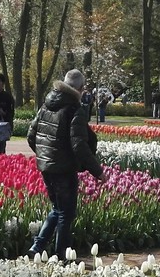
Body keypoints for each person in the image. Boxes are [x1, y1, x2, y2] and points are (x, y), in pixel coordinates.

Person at [25, 68, 106, 261]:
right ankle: (61, 255)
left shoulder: (47, 104)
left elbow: (31, 135)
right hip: (63, 169)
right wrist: (98, 171)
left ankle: (36, 248)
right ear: (81, 88)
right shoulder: (74, 109)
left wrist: (44, 156)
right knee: (66, 213)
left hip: (46, 167)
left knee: (57, 208)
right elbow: (78, 144)